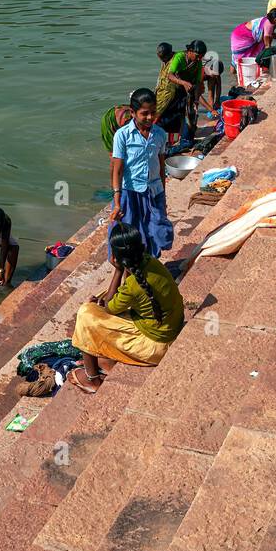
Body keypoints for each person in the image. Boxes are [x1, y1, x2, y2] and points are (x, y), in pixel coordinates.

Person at [69, 225, 184, 393]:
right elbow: (122, 295)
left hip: (155, 347)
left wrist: (117, 271)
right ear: (141, 248)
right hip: (169, 330)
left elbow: (110, 307)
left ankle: (92, 379)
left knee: (86, 314)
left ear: (115, 256)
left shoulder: (132, 286)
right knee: (101, 300)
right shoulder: (151, 262)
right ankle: (104, 358)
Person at [110, 88, 172, 258]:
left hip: (154, 192)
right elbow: (117, 171)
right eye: (145, 113)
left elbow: (160, 167)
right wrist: (117, 202)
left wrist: (163, 196)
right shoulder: (122, 136)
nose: (150, 117)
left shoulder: (160, 134)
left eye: (153, 112)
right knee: (130, 241)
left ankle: (150, 271)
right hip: (130, 194)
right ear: (133, 112)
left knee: (157, 235)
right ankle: (130, 277)